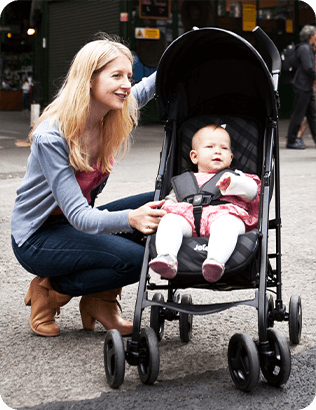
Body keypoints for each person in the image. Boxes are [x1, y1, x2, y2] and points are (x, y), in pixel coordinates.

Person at [11, 33, 166, 337]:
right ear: (90, 80)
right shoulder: (52, 135)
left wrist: (187, 50)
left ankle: (100, 301)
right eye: (116, 75)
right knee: (135, 259)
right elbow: (82, 216)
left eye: (129, 76)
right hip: (38, 236)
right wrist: (131, 218)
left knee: (164, 202)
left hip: (73, 225)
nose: (126, 84)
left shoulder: (112, 111)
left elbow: (149, 87)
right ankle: (50, 290)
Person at [149, 124, 261, 283]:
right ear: (194, 157)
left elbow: (253, 192)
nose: (217, 151)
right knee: (170, 220)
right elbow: (171, 201)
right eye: (210, 146)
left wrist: (235, 183)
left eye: (224, 148)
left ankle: (215, 261)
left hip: (223, 215)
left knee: (227, 225)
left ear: (230, 158)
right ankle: (167, 256)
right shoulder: (184, 181)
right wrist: (164, 211)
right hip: (188, 219)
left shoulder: (235, 176)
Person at [286, 25, 316, 149]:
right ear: (311, 36)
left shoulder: (306, 48)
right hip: (302, 86)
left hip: (306, 86)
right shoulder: (304, 48)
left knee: (313, 115)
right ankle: (291, 141)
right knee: (298, 114)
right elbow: (308, 67)